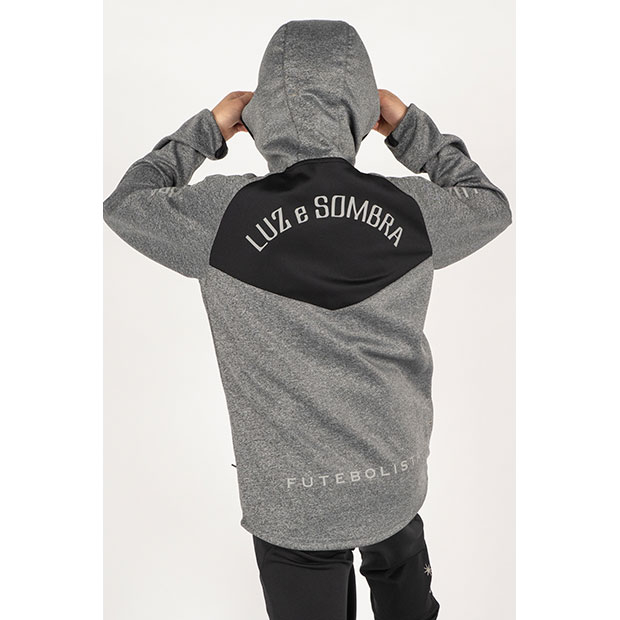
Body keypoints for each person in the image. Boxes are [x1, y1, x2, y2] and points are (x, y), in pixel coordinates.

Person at [104, 18, 512, 620]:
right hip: (394, 473)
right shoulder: (412, 210)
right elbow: (490, 205)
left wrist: (209, 127)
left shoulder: (221, 218)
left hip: (293, 499)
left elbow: (127, 204)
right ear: (363, 109)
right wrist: (408, 128)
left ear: (261, 113)